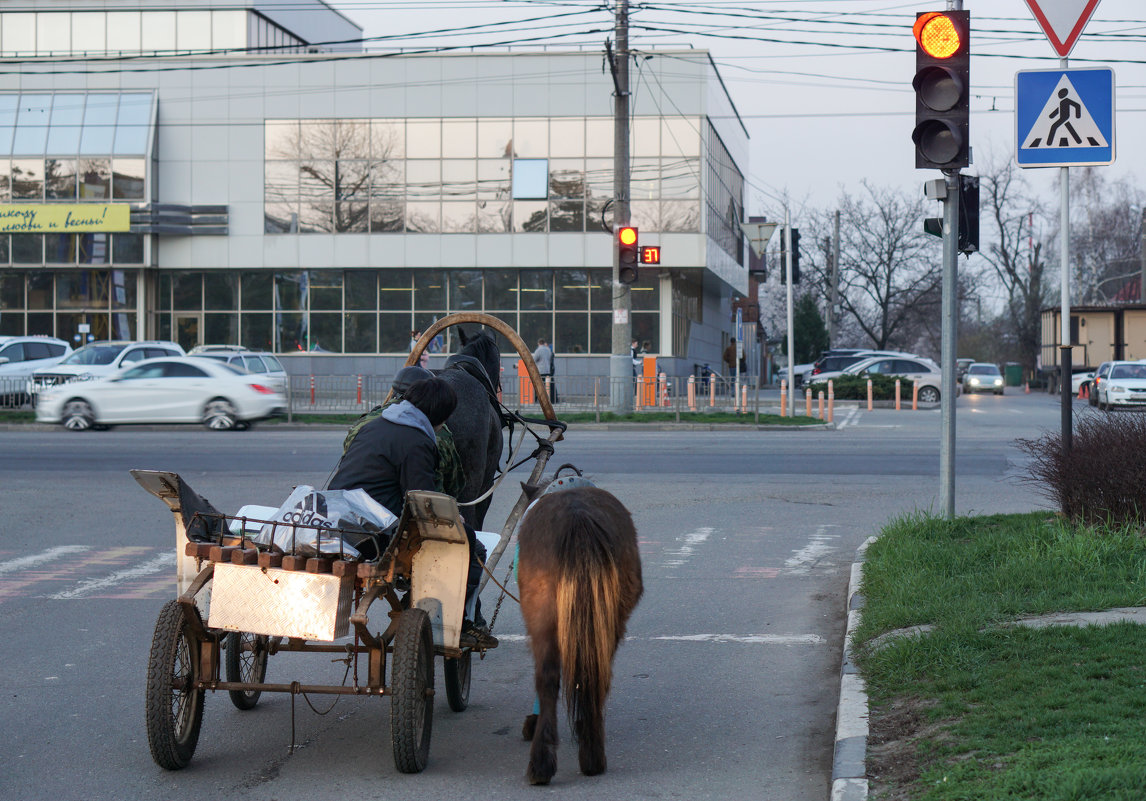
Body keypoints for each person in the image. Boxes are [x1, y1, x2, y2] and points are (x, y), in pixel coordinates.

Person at [329, 376, 496, 649]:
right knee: (470, 544)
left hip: (337, 521)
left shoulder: (371, 426)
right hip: (375, 533)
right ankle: (464, 622)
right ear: (441, 416)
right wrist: (454, 516)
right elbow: (422, 501)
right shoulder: (418, 440)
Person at [533, 337, 556, 403]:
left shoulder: (538, 350)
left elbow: (534, 360)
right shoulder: (548, 349)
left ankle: (537, 399)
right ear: (544, 343)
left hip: (540, 371)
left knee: (539, 386)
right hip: (548, 371)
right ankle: (550, 400)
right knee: (548, 387)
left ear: (538, 343)